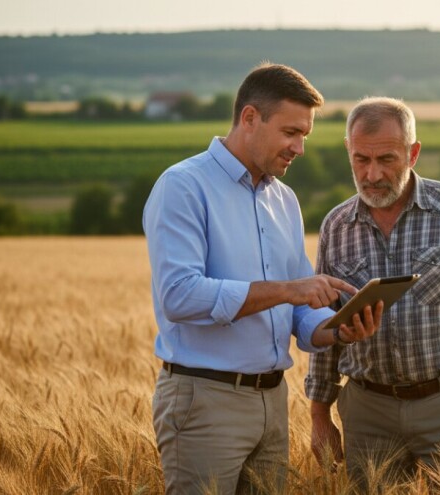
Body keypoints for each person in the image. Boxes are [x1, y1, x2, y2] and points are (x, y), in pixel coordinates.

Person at [143, 63, 383, 494]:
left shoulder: (284, 200)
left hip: (273, 401)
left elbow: (300, 314)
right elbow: (179, 296)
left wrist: (339, 330)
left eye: (305, 135)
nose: (300, 148)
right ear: (250, 118)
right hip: (205, 401)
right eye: (291, 132)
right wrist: (289, 290)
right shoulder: (183, 186)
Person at [306, 97, 440, 492]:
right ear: (348, 151)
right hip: (367, 412)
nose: (372, 174)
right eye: (361, 159)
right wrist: (319, 416)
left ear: (413, 153)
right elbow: (326, 324)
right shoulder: (336, 226)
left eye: (386, 159)